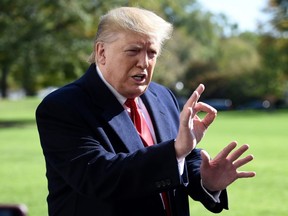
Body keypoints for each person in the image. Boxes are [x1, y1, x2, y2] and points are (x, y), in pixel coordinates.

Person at [36, 7, 255, 216]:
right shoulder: (63, 106)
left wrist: (205, 180)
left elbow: (180, 160)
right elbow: (99, 177)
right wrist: (177, 150)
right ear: (101, 52)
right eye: (133, 51)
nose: (144, 62)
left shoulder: (162, 96)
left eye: (152, 53)